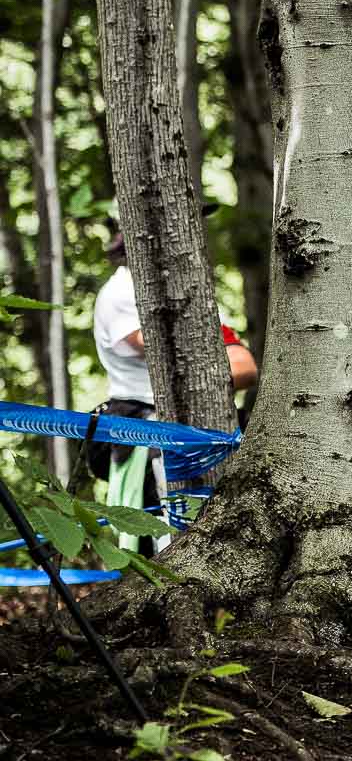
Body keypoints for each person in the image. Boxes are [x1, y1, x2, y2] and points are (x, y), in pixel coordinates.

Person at [90, 226, 259, 550]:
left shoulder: (192, 294)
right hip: (149, 431)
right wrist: (213, 364)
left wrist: (211, 368)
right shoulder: (122, 292)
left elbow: (244, 366)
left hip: (209, 428)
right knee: (165, 540)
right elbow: (174, 353)